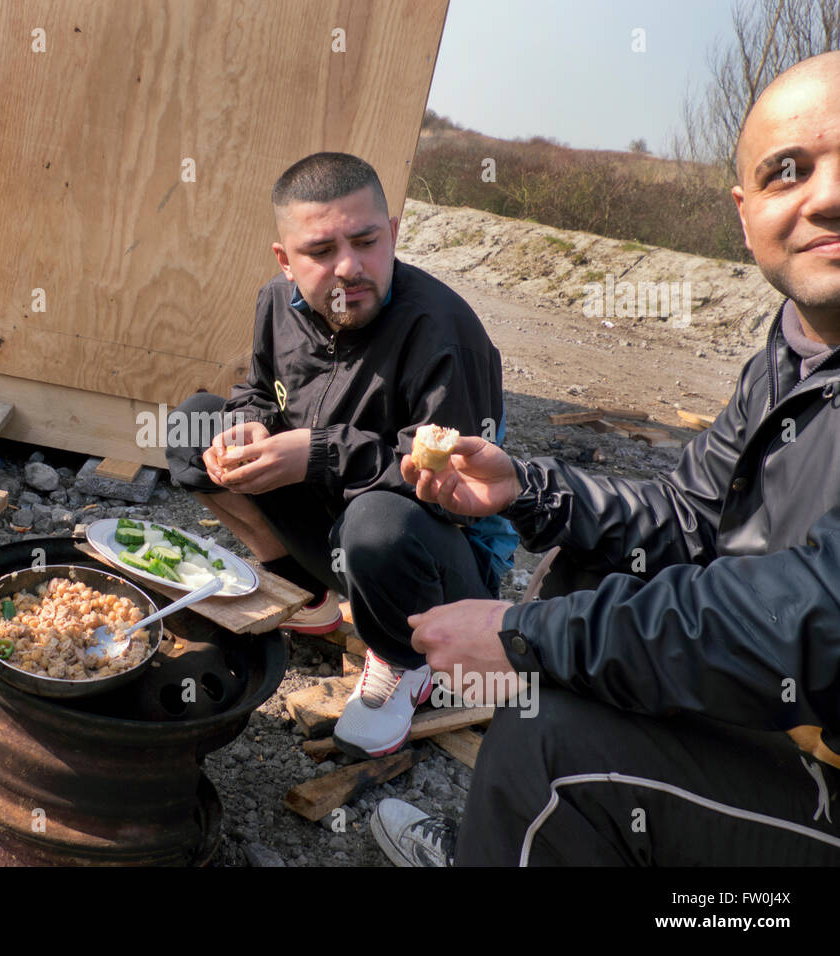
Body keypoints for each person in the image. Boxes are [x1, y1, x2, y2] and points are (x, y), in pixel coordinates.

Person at [380, 51, 840, 866]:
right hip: (791, 706)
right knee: (589, 576)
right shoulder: (795, 353)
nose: (828, 196)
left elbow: (815, 613)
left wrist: (526, 637)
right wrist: (528, 485)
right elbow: (686, 515)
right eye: (788, 172)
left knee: (548, 749)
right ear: (745, 212)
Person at [165, 152, 517, 760]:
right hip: (334, 522)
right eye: (321, 251)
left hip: (436, 559)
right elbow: (255, 390)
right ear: (285, 258)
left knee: (377, 523)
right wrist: (248, 428)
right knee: (194, 423)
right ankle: (311, 593)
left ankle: (404, 661)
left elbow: (457, 494)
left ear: (394, 234)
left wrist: (319, 454)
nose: (349, 267)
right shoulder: (277, 302)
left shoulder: (445, 334)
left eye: (365, 240)